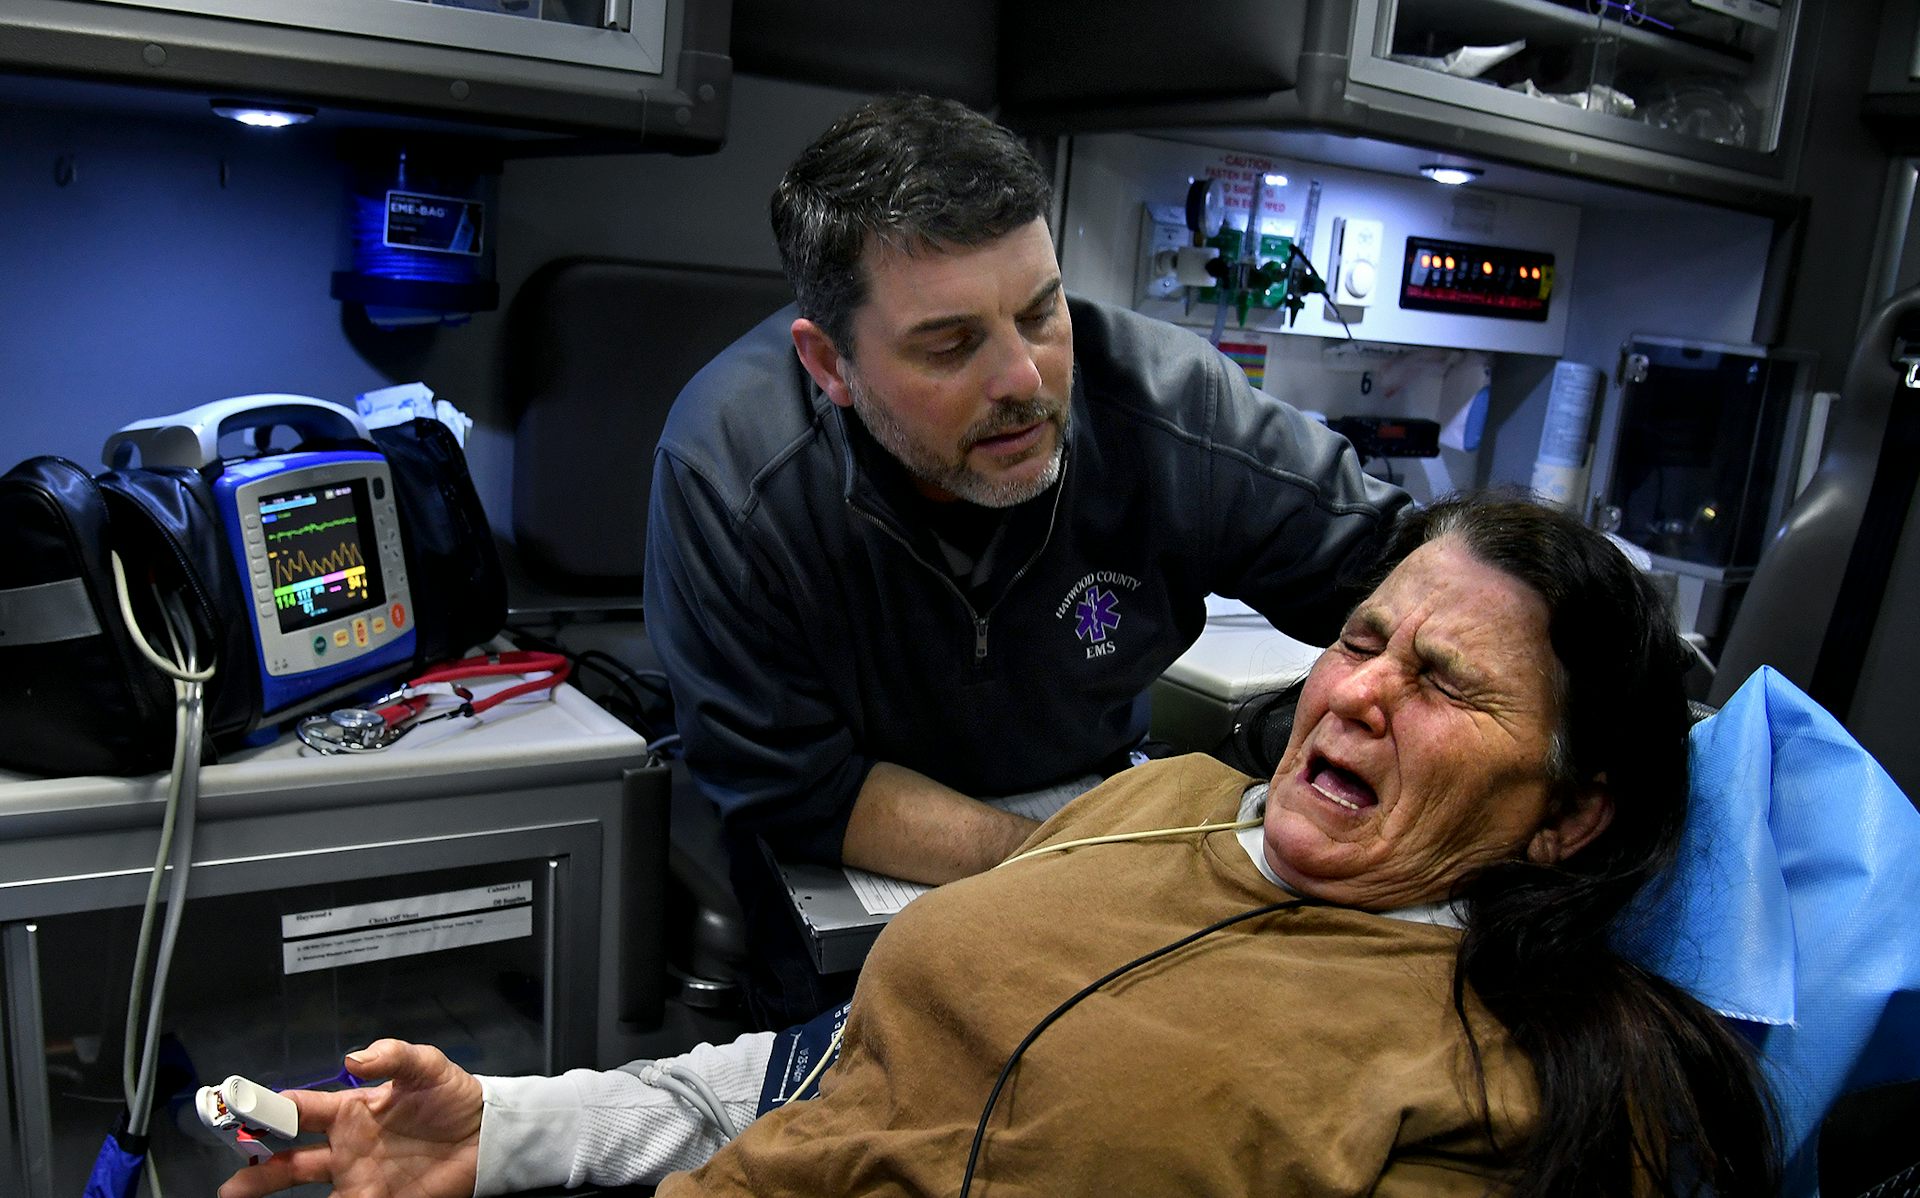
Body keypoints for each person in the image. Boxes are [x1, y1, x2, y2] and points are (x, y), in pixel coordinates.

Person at [217, 493, 1779, 1198]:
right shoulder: (1154, 804)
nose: (1361, 689)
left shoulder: (1512, 1084)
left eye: (1443, 684)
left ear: (1567, 813)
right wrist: (503, 1129)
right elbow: (822, 1073)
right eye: (1363, 637)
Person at [642, 92, 1407, 1022]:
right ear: (831, 366)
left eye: (1041, 312)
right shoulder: (732, 470)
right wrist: (1063, 865)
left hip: (1091, 816)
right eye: (951, 344)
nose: (1024, 380)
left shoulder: (1170, 408)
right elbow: (793, 785)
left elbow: (1402, 576)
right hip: (845, 881)